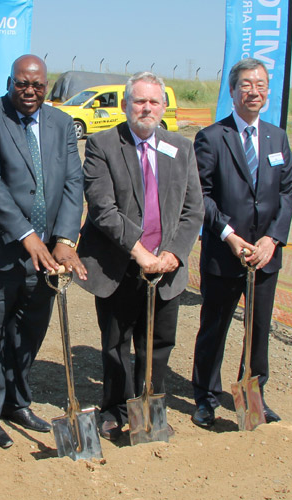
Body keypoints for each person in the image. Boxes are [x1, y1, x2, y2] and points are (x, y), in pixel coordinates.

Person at [0, 54, 86, 448]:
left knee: (28, 334)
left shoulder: (62, 123)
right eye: (21, 84)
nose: (29, 92)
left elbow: (72, 182)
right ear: (9, 81)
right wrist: (25, 234)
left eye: (37, 85)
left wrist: (64, 239)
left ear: (46, 85)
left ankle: (17, 401)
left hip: (46, 256)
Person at [76, 72, 204, 441]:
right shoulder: (102, 144)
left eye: (153, 102)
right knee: (116, 343)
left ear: (163, 106)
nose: (146, 108)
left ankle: (150, 405)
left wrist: (173, 255)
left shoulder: (181, 147)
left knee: (158, 342)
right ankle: (115, 408)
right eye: (138, 101)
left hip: (165, 267)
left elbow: (193, 210)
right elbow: (103, 209)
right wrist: (141, 253)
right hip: (120, 264)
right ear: (124, 105)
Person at [191, 58, 292, 428]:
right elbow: (201, 195)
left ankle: (253, 397)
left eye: (261, 85)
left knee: (258, 330)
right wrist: (229, 236)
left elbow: (287, 192)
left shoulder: (277, 137)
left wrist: (273, 239)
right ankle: (205, 397)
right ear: (233, 91)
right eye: (246, 85)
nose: (254, 91)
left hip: (265, 256)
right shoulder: (211, 138)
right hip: (225, 253)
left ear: (268, 92)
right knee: (214, 327)